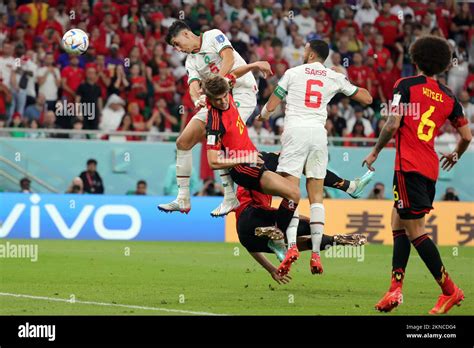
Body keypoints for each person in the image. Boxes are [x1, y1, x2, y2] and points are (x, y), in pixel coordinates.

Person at [362, 36, 472, 314]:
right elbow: (466, 135)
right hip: (429, 168)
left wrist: (375, 151)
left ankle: (450, 290)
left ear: (415, 58)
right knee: (398, 224)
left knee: (415, 231)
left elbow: (393, 122)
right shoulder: (449, 96)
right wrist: (456, 154)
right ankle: (394, 290)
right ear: (442, 65)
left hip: (408, 166)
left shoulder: (406, 85)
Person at [258, 39, 372, 276]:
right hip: (318, 135)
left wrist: (263, 114)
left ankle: (290, 247)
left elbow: (272, 103)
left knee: (291, 192)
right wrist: (344, 78)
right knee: (317, 196)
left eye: (306, 48)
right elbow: (367, 99)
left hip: (295, 132)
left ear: (311, 54)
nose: (304, 51)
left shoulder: (293, 72)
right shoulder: (332, 76)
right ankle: (317, 254)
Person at [158, 20, 261, 217]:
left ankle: (230, 196)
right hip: (216, 97)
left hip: (241, 93)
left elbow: (229, 60)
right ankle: (183, 198)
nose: (178, 49)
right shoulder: (190, 61)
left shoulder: (213, 35)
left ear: (187, 34)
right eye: (174, 47)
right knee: (183, 142)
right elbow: (193, 86)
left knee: (218, 134)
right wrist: (197, 98)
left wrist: (214, 86)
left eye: (177, 43)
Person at [236, 152, 369, 284]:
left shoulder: (255, 181)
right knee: (304, 225)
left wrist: (271, 269)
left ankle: (332, 239)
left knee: (298, 236)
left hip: (248, 235)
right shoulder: (255, 170)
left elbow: (250, 246)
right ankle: (346, 187)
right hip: (254, 218)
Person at [202, 73, 300, 246]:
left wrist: (255, 65)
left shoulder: (224, 86)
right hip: (243, 168)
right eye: (218, 100)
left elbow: (234, 74)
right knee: (293, 193)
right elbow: (213, 161)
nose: (224, 101)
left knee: (295, 159)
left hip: (254, 156)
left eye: (225, 96)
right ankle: (277, 233)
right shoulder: (215, 123)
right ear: (210, 99)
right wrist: (245, 157)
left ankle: (346, 185)